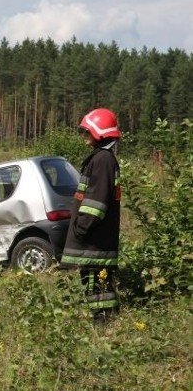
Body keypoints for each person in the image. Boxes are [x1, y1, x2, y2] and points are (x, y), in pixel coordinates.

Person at [60, 107, 122, 323]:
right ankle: (104, 322)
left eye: (87, 131)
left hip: (95, 240)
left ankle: (105, 323)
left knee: (98, 283)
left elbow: (97, 200)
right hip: (96, 239)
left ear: (100, 132)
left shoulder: (103, 159)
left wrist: (82, 226)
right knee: (94, 282)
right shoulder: (102, 158)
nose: (84, 136)